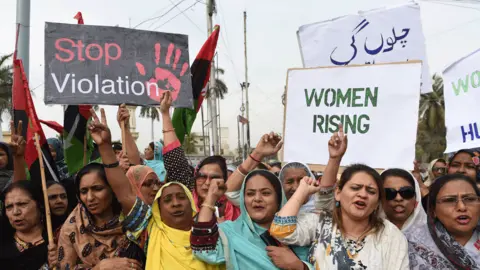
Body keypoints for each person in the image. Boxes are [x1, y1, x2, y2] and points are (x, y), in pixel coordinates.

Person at [270, 127, 409, 269]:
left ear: (378, 201)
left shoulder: (391, 236)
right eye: (355, 188)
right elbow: (280, 230)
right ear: (338, 193)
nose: (362, 194)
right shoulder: (321, 223)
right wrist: (301, 192)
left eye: (371, 191)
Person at [191, 170, 312, 270]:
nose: (257, 199)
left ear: (279, 199)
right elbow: (203, 249)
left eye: (265, 193)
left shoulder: (298, 233)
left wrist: (299, 266)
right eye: (250, 194)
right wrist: (211, 198)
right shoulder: (230, 232)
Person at [159, 93, 239, 222]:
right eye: (201, 176)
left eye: (214, 177)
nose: (207, 183)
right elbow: (174, 159)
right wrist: (165, 114)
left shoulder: (238, 207)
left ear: (225, 180)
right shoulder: (185, 204)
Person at [55, 162, 147, 269]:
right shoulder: (71, 228)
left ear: (112, 189)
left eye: (97, 189)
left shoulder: (133, 216)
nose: (89, 198)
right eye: (84, 191)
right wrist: (99, 268)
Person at [407, 174, 480, 269]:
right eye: (449, 200)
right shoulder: (412, 244)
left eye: (470, 199)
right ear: (433, 210)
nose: (462, 207)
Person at [0, 181, 48, 270]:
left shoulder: (59, 238)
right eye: (9, 207)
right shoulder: (3, 244)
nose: (15, 212)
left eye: (22, 204)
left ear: (39, 205)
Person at [381, 168, 427, 234]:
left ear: (416, 197)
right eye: (389, 193)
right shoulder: (367, 233)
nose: (398, 198)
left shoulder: (433, 234)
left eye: (406, 192)